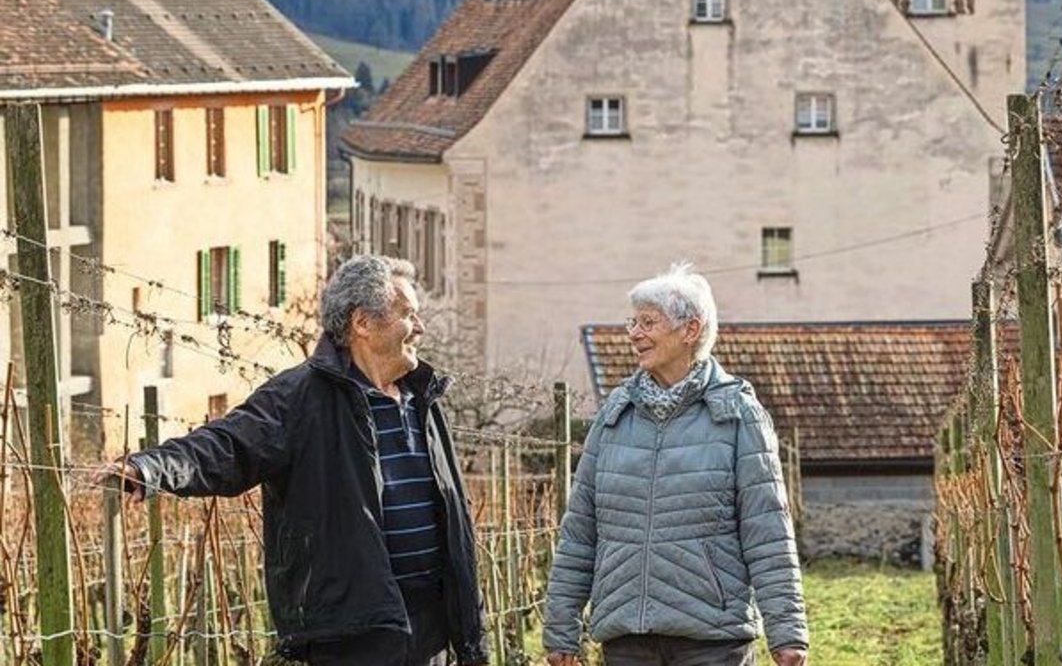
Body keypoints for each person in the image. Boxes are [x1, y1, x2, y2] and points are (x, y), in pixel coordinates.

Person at [92, 255, 488, 666]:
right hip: (353, 633)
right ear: (362, 323)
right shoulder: (301, 397)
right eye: (407, 315)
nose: (420, 328)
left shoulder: (422, 398)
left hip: (431, 631)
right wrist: (152, 468)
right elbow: (228, 445)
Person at [544, 263, 808, 666]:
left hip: (712, 640)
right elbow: (580, 529)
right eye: (632, 322)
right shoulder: (615, 415)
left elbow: (767, 529)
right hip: (627, 637)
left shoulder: (737, 414)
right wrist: (562, 626)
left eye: (648, 322)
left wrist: (787, 630)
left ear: (690, 330)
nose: (634, 333)